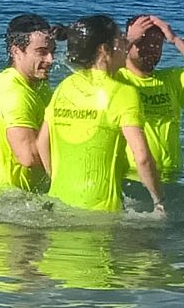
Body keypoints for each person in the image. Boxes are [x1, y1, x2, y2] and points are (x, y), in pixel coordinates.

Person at [38, 15, 164, 213]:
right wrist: (158, 201)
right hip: (101, 210)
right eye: (121, 39)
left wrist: (56, 179)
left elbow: (41, 143)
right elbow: (142, 158)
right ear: (104, 49)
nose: (126, 44)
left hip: (58, 203)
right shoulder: (123, 92)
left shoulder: (64, 87)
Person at [115, 15, 184, 182]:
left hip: (172, 177)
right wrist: (128, 39)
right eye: (142, 41)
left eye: (157, 43)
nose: (151, 47)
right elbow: (98, 69)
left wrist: (175, 39)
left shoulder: (171, 80)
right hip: (131, 175)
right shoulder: (117, 79)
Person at [0, 14, 54, 198]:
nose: (50, 59)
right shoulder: (17, 95)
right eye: (41, 52)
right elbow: (29, 157)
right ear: (16, 51)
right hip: (13, 201)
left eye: (52, 51)